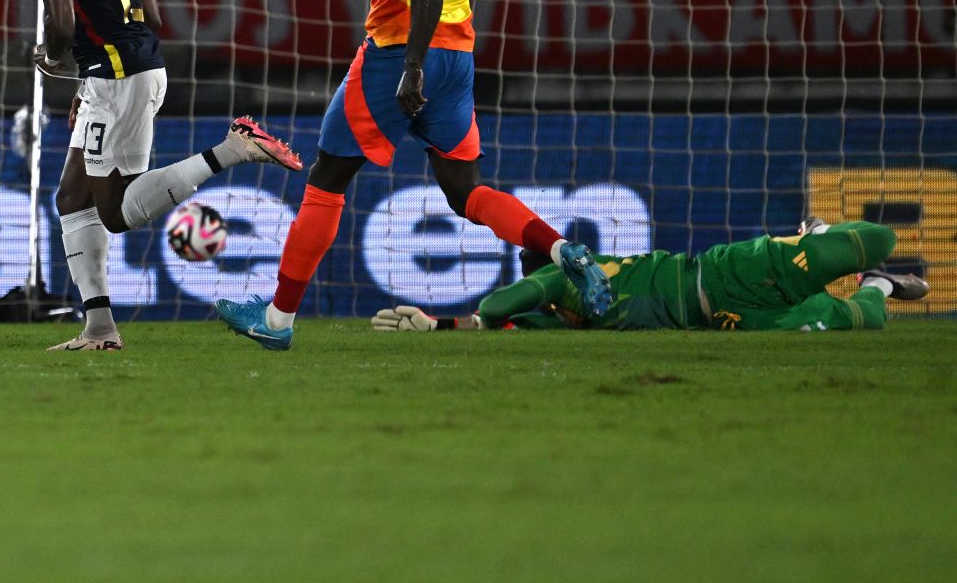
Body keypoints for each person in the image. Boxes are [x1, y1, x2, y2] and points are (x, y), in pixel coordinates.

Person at [216, 0, 604, 352]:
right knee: (465, 190)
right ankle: (559, 248)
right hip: (458, 53)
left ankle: (275, 320)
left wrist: (411, 66)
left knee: (327, 177)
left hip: (401, 53)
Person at [5, 0, 303, 352]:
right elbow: (152, 13)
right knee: (72, 197)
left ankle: (232, 149)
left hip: (120, 79)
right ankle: (99, 328)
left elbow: (58, 25)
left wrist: (52, 55)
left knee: (116, 213)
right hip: (130, 70)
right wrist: (91, 79)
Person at [372, 219, 928, 332]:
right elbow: (497, 325)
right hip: (734, 322)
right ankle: (878, 284)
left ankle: (819, 231)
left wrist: (483, 318)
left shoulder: (562, 285)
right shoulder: (565, 325)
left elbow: (497, 311)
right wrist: (438, 326)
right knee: (860, 318)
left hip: (726, 274)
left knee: (876, 240)